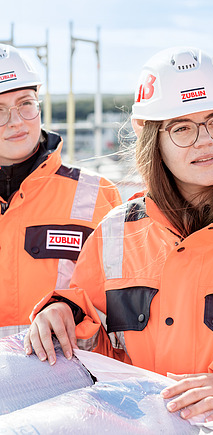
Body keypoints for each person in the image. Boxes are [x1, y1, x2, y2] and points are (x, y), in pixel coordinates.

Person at [24, 47, 213, 434]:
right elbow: (91, 333)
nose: (205, 140)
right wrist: (62, 312)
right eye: (182, 127)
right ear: (154, 141)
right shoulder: (116, 233)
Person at [0, 44, 121, 338]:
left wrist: (74, 311)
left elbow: (122, 313)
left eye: (25, 103)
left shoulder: (98, 195)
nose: (16, 121)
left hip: (71, 380)